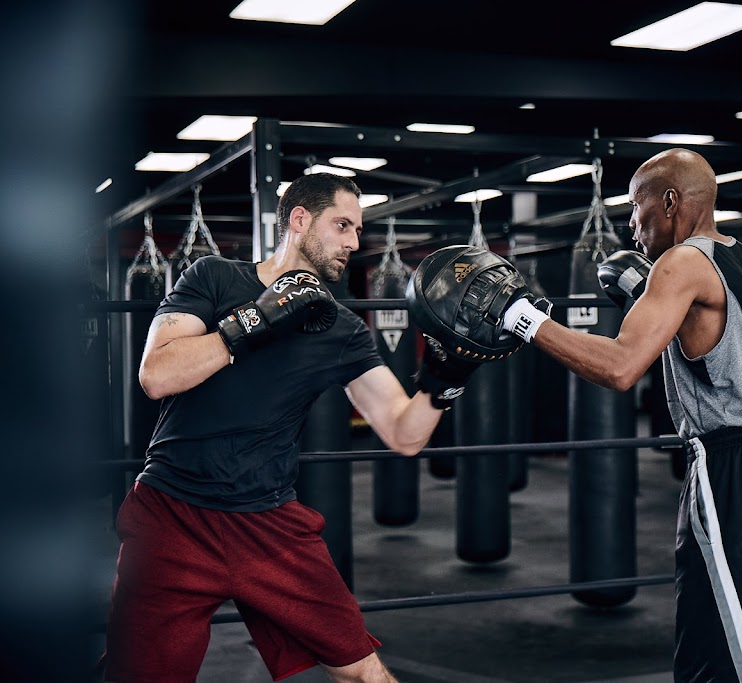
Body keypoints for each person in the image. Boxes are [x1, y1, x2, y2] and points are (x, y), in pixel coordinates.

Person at [103, 173, 476, 683]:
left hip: (269, 526)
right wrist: (255, 320)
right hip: (172, 519)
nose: (354, 242)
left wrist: (445, 379)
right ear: (299, 220)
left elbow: (402, 433)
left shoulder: (341, 328)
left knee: (363, 672)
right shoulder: (214, 277)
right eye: (342, 225)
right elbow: (157, 376)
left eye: (358, 230)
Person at [499, 149, 742, 683]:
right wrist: (648, 296)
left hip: (732, 472)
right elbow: (719, 343)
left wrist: (521, 318)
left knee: (720, 656)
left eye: (635, 210)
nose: (631, 228)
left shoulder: (680, 264)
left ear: (669, 202)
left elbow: (620, 368)